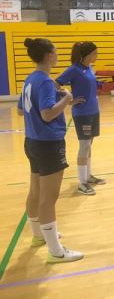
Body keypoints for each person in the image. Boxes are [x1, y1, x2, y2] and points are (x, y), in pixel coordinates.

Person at [18, 38, 84, 263]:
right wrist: (65, 99)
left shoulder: (30, 78)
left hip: (32, 142)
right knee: (49, 197)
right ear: (48, 56)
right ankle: (56, 251)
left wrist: (60, 101)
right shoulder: (45, 81)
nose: (58, 56)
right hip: (48, 143)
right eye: (55, 52)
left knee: (35, 191)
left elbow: (21, 110)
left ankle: (39, 236)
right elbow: (47, 114)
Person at [56, 42, 105, 195]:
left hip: (93, 111)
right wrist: (69, 100)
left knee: (89, 145)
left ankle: (88, 176)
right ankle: (82, 183)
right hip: (82, 113)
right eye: (94, 53)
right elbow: (55, 84)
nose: (96, 56)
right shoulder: (74, 70)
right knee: (84, 146)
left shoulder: (89, 68)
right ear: (86, 55)